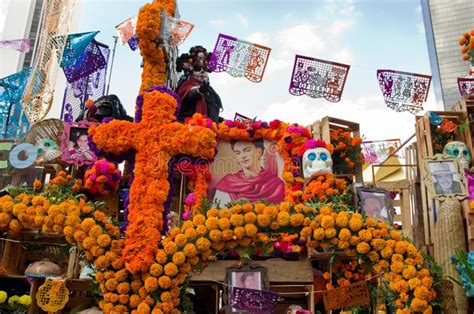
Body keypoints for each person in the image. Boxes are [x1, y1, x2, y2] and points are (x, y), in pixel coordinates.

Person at [213, 139, 285, 204]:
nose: (242, 156)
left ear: (259, 152)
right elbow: (217, 214)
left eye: (247, 150)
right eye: (238, 153)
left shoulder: (276, 185)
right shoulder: (227, 183)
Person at [176, 46, 223, 123]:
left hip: (208, 128)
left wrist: (220, 121)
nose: (202, 72)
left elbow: (212, 111)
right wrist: (199, 90)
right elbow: (190, 93)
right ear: (191, 73)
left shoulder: (210, 90)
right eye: (198, 69)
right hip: (189, 126)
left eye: (204, 69)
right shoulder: (188, 85)